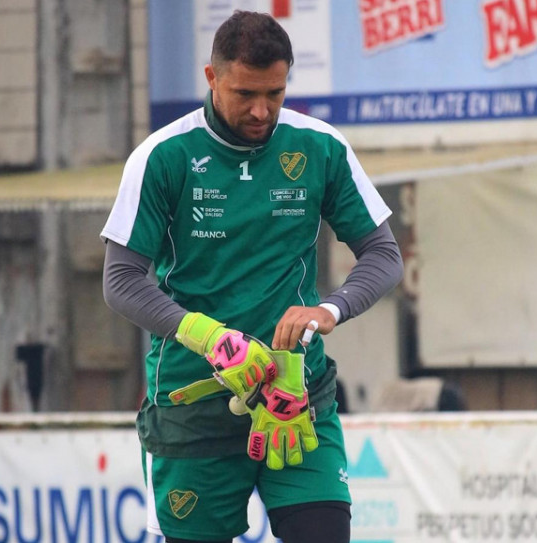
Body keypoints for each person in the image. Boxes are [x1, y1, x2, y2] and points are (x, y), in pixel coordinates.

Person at [101, 10, 403, 543]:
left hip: (295, 398)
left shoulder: (320, 147)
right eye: (244, 93)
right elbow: (121, 281)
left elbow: (383, 255)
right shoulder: (161, 157)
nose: (261, 110)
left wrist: (328, 309)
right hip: (192, 407)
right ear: (211, 77)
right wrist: (210, 336)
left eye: (276, 93)